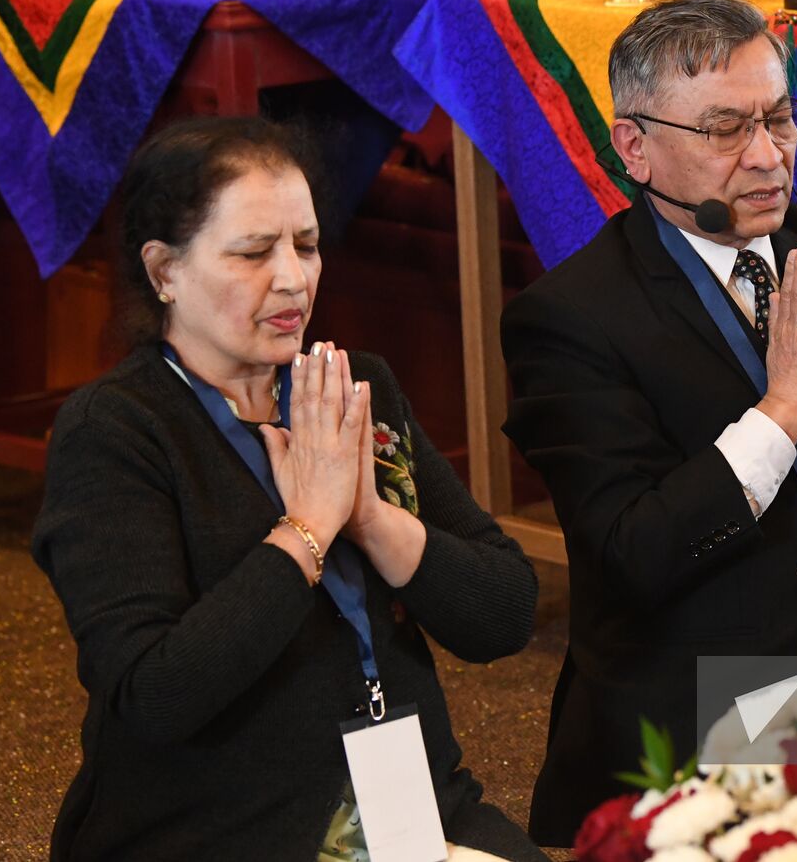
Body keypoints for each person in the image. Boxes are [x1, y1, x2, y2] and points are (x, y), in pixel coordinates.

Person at [500, 0, 797, 846]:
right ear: (636, 149)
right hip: (712, 696)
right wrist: (784, 410)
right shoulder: (571, 316)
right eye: (726, 130)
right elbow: (631, 554)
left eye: (779, 120)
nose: (768, 158)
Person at [31, 116, 546, 862]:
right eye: (251, 252)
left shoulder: (352, 385)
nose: (293, 279)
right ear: (164, 271)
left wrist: (368, 515)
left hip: (403, 803)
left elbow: (505, 617)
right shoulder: (116, 431)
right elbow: (156, 694)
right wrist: (305, 528)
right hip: (221, 827)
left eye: (305, 246)